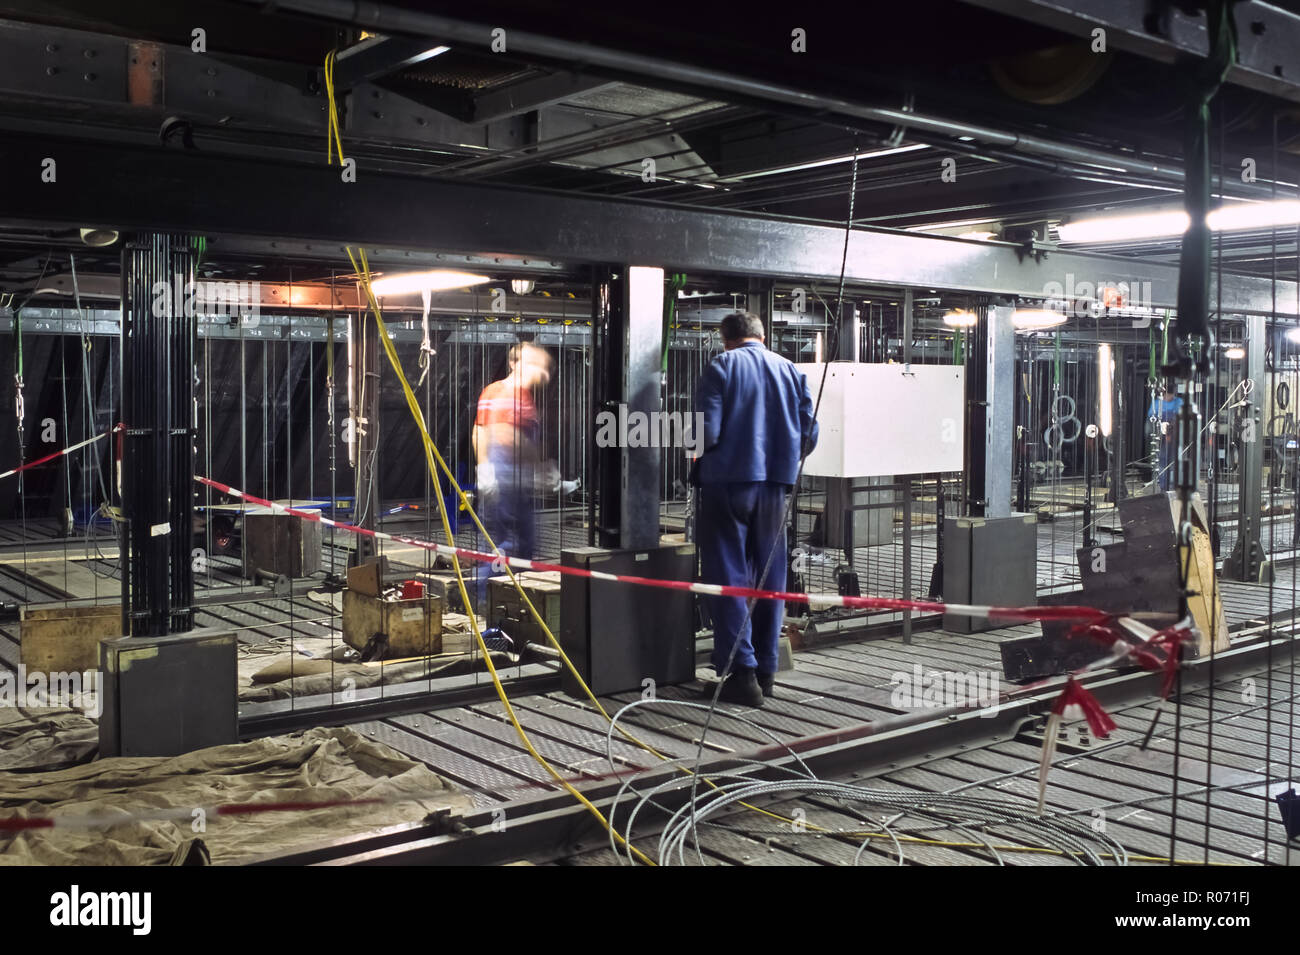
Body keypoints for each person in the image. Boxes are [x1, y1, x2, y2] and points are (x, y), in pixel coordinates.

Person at [693, 312, 818, 707]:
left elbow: (705, 431)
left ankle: (740, 673)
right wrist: (781, 460)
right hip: (776, 488)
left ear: (725, 338)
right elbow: (809, 433)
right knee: (770, 576)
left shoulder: (722, 366)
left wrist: (695, 459)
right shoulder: (790, 370)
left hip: (727, 485)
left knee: (728, 576)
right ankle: (767, 671)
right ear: (762, 336)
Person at [472, 341, 553, 608]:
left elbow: (480, 431)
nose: (544, 373)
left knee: (514, 547)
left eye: (546, 367)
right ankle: (487, 600)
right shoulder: (510, 395)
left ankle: (497, 599)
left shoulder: (505, 393)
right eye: (537, 365)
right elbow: (507, 437)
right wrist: (541, 468)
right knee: (512, 547)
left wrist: (484, 468)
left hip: (507, 478)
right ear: (514, 364)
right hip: (508, 479)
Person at [1147, 384, 1182, 492]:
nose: (1168, 397)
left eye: (1170, 394)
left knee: (1176, 460)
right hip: (1162, 435)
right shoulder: (1157, 403)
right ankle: (1164, 486)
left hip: (1176, 435)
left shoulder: (1178, 402)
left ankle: (1176, 485)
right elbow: (1151, 416)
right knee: (1163, 460)